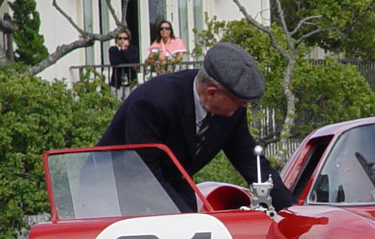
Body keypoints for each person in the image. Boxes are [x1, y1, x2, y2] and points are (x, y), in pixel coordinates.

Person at [97, 42, 294, 213]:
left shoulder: (231, 111)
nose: (243, 108)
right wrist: (187, 221)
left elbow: (251, 162)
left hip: (170, 184)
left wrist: (290, 212)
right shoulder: (153, 102)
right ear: (211, 92)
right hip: (110, 191)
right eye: (238, 102)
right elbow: (142, 173)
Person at [108, 28, 139, 95]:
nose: (122, 40)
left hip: (131, 81)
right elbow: (114, 61)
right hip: (117, 82)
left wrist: (124, 50)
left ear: (128, 40)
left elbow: (133, 60)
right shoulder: (113, 49)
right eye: (120, 38)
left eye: (125, 38)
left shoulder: (133, 49)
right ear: (116, 40)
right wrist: (126, 59)